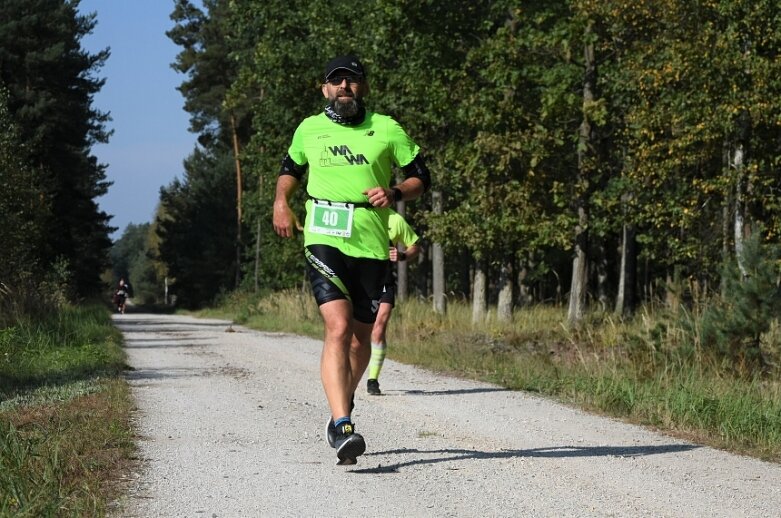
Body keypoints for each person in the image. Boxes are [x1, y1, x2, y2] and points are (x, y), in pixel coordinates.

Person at [272, 54, 431, 465]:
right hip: (324, 234)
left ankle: (342, 401)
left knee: (362, 337)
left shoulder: (387, 127)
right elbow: (289, 169)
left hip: (372, 241)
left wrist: (396, 192)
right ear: (325, 88)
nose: (344, 86)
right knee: (338, 326)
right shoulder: (309, 128)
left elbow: (420, 177)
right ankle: (343, 425)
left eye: (352, 80)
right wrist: (281, 202)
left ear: (363, 88)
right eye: (336, 80)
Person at [367, 210, 421, 395]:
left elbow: (415, 245)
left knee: (379, 326)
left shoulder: (395, 220)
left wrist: (402, 255)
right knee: (356, 329)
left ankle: (372, 379)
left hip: (384, 280)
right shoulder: (358, 212)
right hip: (359, 280)